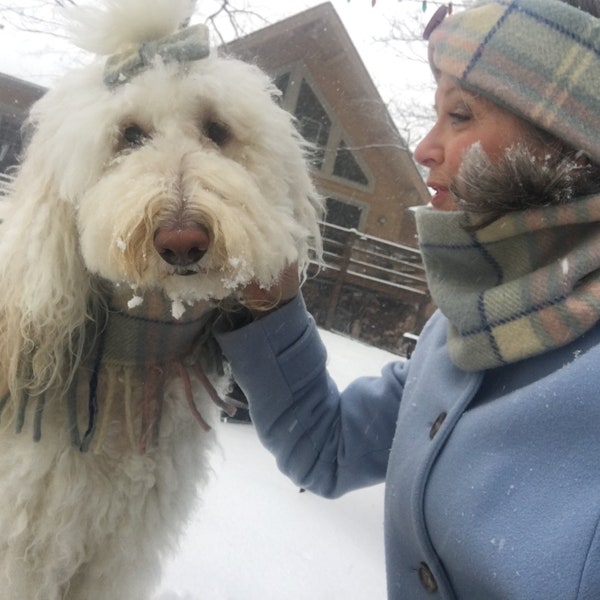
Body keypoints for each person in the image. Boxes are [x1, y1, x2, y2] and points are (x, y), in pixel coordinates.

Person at [214, 1, 600, 598]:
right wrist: (271, 304)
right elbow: (328, 448)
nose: (423, 147)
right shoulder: (460, 331)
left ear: (568, 147)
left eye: (461, 114)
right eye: (435, 112)